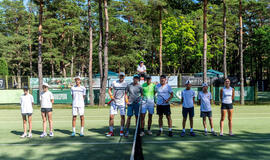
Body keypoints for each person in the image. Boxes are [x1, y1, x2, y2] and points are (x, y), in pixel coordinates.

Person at [107, 72, 128, 137]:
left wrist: (126, 101)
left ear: (124, 77)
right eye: (120, 76)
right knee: (111, 117)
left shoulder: (126, 84)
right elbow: (109, 90)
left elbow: (126, 93)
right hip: (114, 102)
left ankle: (121, 130)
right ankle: (111, 132)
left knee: (122, 117)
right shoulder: (114, 82)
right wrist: (111, 96)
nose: (121, 77)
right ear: (118, 76)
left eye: (122, 76)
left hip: (122, 103)